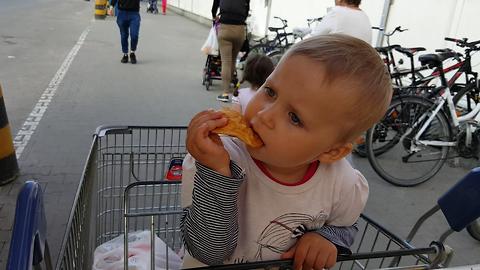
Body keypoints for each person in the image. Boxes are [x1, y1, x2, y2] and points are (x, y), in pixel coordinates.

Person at [181, 34, 393, 269]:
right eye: (270, 91)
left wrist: (327, 238)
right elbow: (209, 252)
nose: (264, 115)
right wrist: (218, 174)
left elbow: (346, 224)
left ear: (332, 152)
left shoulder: (341, 183)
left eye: (294, 118)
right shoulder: (219, 157)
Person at [211, 0, 250, 102]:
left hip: (225, 28)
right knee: (232, 60)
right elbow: (246, 10)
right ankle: (233, 90)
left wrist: (215, 17)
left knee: (226, 62)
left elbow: (214, 8)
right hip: (240, 30)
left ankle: (225, 93)